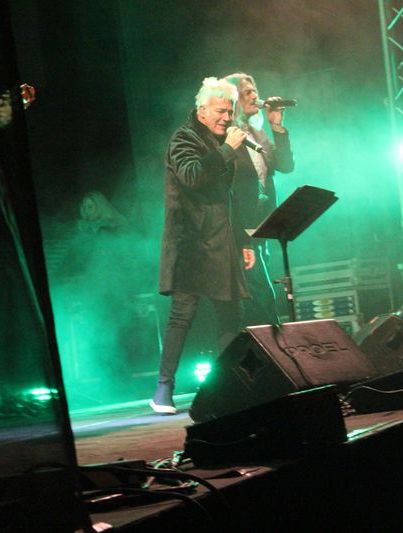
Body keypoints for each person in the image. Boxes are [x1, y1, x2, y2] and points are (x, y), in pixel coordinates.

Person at [151, 77, 249, 415]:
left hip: (222, 238)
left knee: (230, 312)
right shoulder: (184, 138)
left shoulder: (221, 140)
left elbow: (230, 197)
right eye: (222, 111)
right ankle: (164, 388)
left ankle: (227, 386)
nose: (227, 118)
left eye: (230, 112)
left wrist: (243, 240)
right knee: (183, 315)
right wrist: (226, 151)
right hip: (191, 241)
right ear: (202, 111)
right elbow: (192, 175)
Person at [224, 72, 295, 326]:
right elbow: (228, 190)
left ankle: (269, 346)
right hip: (239, 229)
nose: (255, 96)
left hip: (262, 225)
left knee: (262, 292)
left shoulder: (258, 133)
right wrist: (243, 239)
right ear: (232, 100)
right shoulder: (226, 137)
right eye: (246, 92)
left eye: (254, 90)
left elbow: (286, 166)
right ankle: (273, 351)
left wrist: (277, 126)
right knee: (261, 294)